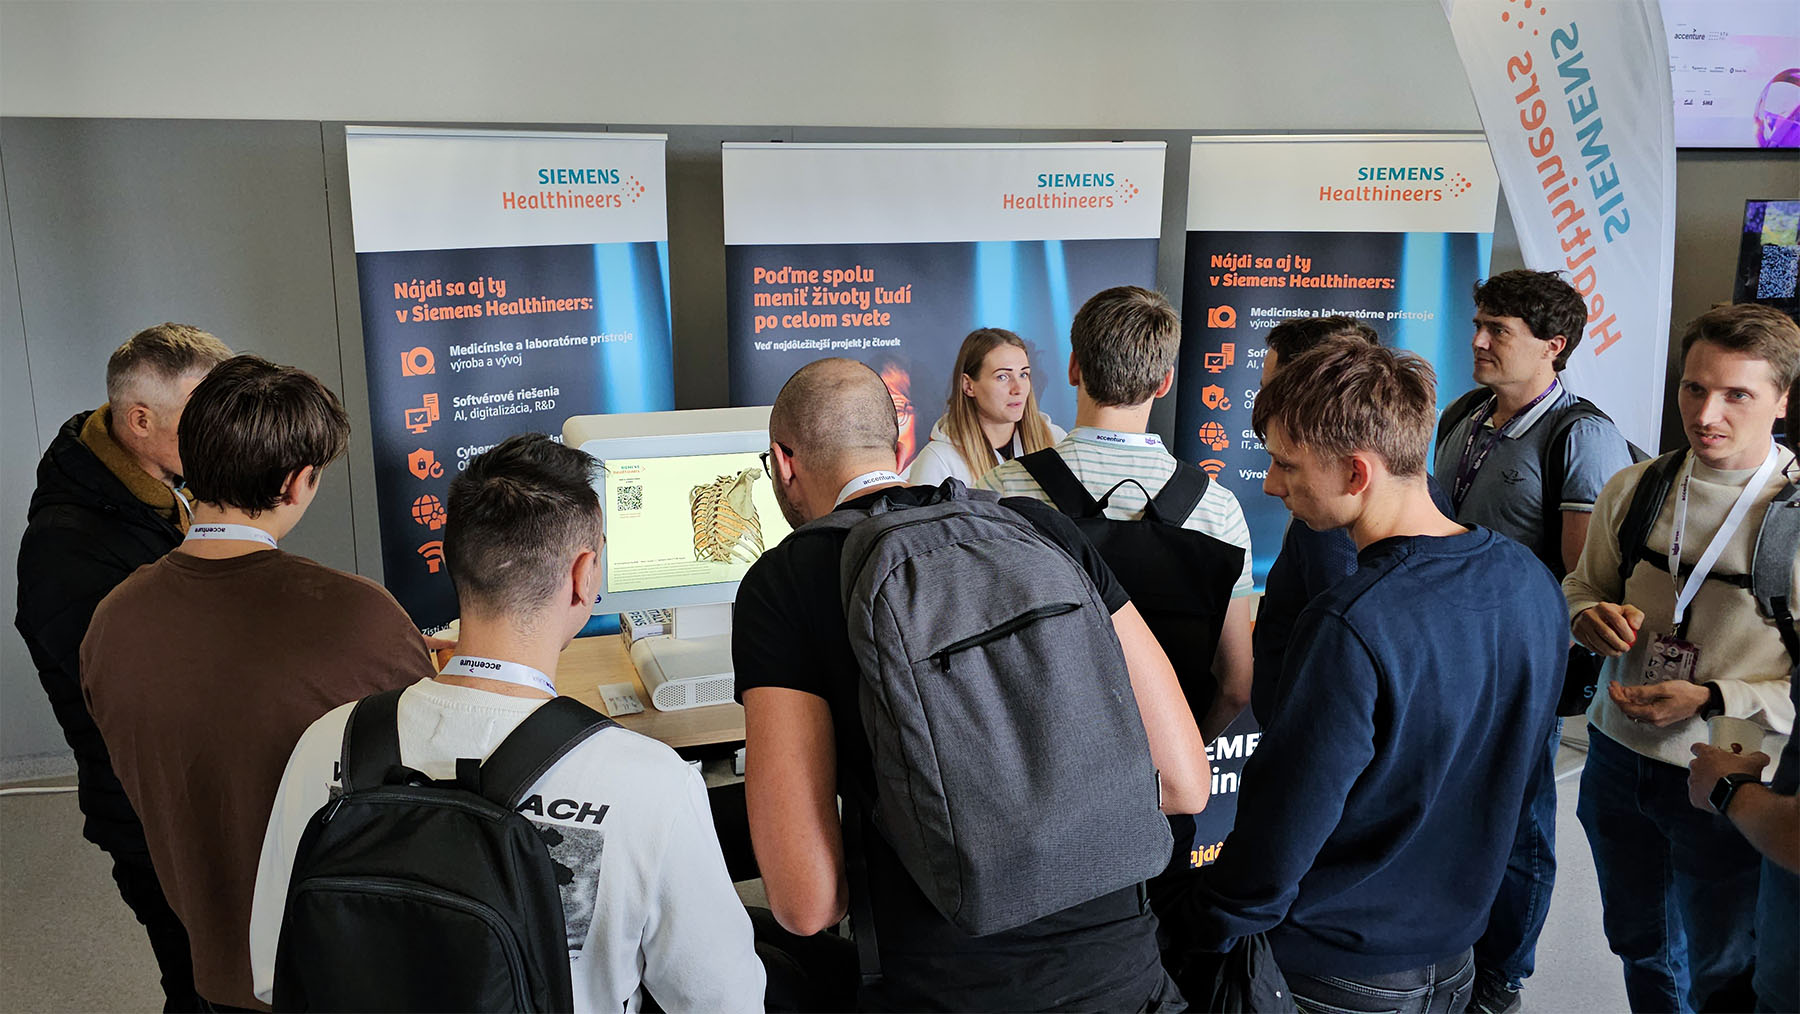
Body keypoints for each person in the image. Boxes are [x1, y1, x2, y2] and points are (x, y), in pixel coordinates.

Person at [733, 357, 1205, 1012]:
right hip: (1129, 984)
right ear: (899, 441)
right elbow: (1184, 783)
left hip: (947, 993)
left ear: (783, 463)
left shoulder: (784, 583)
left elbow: (806, 904)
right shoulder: (1040, 529)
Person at [251, 433, 763, 1012]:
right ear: (584, 574)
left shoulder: (327, 740)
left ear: (451, 562)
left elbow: (277, 969)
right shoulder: (653, 782)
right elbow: (724, 999)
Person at [1160, 338, 1568, 1014]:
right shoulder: (1529, 583)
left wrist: (1200, 929)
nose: (1269, 484)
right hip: (1454, 963)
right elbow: (1525, 796)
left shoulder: (1354, 621)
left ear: (1357, 474)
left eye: (1285, 465)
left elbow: (1284, 828)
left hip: (1331, 976)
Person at [79, 355, 435, 1010]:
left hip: (214, 961)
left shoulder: (112, 620)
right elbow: (432, 773)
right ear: (300, 482)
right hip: (342, 964)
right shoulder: (358, 616)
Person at [1564, 304, 1797, 1014]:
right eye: (1694, 389)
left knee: (1721, 969)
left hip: (1730, 775)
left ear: (1783, 400)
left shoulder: (1789, 518)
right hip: (1615, 757)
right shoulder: (1637, 488)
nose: (1707, 412)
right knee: (1638, 943)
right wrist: (1587, 617)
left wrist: (1714, 697)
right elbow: (1585, 584)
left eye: (1736, 394)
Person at [1431, 270, 1635, 1014]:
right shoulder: (1465, 413)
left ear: (1554, 346)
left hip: (1520, 666)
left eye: (1499, 331)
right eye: (1479, 323)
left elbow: (1585, 580)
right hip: (1445, 654)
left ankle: (1501, 978)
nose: (1479, 340)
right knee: (1447, 810)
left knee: (1517, 825)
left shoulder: (1583, 436)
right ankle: (1448, 953)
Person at [14, 322, 231, 1012]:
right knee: (201, 984)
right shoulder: (67, 550)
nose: (221, 437)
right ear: (140, 419)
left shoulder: (156, 490)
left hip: (190, 796)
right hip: (149, 813)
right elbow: (141, 701)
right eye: (205, 419)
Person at [981, 286, 1254, 744]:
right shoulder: (1218, 507)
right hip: (1164, 789)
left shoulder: (1002, 491)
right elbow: (1236, 686)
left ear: (1073, 368)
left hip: (1043, 780)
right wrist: (1177, 759)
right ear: (1164, 382)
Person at [905, 327, 1065, 486]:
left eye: (1023, 374)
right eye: (1002, 377)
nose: (1018, 389)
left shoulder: (1056, 440)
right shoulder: (938, 460)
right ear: (968, 386)